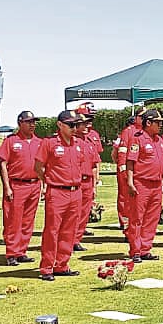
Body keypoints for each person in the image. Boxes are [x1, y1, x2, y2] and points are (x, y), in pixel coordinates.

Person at [35, 110, 87, 281]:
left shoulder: (78, 144)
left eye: (76, 125)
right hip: (57, 191)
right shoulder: (49, 143)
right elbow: (39, 167)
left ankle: (62, 264)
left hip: (75, 191)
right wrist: (50, 180)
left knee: (69, 231)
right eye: (71, 125)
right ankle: (47, 267)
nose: (75, 128)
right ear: (60, 125)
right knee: (52, 230)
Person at [0, 111, 42, 266]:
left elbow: (43, 165)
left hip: (34, 184)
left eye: (33, 122)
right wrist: (7, 187)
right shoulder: (11, 141)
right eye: (28, 122)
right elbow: (2, 163)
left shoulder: (39, 142)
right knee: (13, 220)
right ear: (20, 123)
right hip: (17, 184)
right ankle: (11, 252)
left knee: (28, 220)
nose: (32, 125)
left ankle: (22, 251)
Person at [125, 109, 163, 262]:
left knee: (152, 218)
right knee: (137, 218)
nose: (160, 125)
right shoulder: (138, 139)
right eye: (158, 122)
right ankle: (135, 250)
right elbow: (130, 162)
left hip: (156, 184)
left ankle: (145, 248)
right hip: (141, 183)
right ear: (148, 123)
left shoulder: (159, 141)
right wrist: (130, 182)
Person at [73, 102, 102, 250]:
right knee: (74, 213)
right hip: (75, 182)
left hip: (88, 181)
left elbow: (95, 163)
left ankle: (76, 239)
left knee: (84, 212)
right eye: (85, 120)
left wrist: (95, 183)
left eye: (90, 120)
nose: (88, 123)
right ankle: (69, 239)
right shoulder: (71, 140)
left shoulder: (91, 140)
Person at [113, 114, 140, 231]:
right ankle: (126, 224)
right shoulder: (128, 132)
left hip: (136, 171)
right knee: (125, 197)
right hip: (126, 169)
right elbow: (120, 151)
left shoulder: (141, 132)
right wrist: (122, 168)